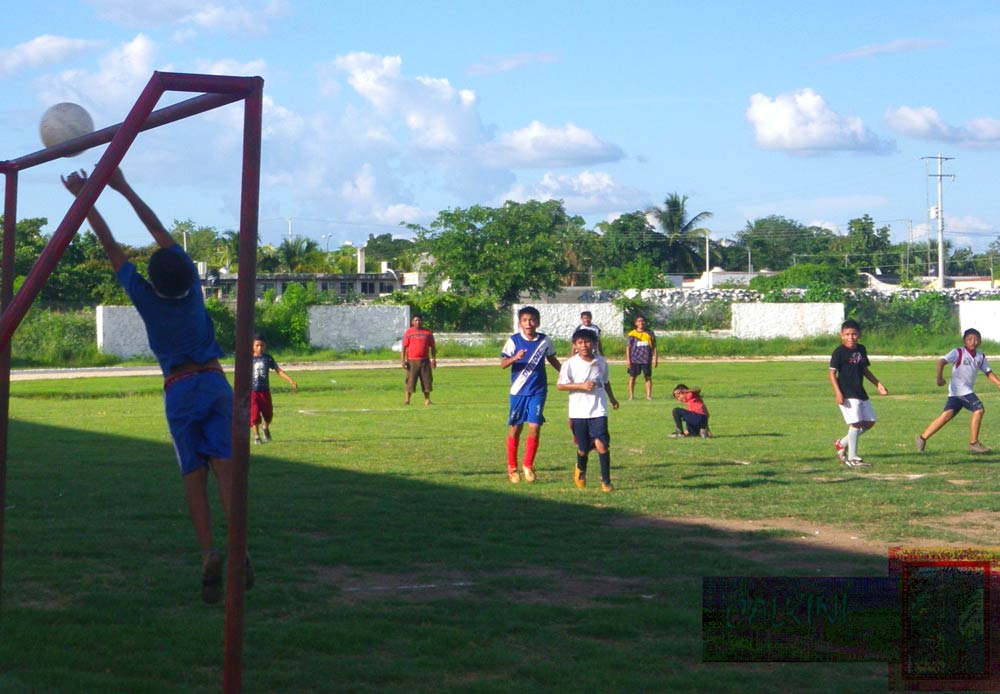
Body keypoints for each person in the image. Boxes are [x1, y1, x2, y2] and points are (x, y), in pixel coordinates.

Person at [62, 167, 250, 604]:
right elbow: (159, 231)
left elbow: (110, 245)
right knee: (226, 469)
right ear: (184, 272)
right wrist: (123, 187)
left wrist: (85, 196)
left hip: (179, 388)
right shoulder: (194, 288)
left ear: (154, 280)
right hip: (215, 383)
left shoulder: (144, 297)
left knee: (192, 473)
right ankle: (240, 550)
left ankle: (208, 552)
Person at [501, 306, 561, 484]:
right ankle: (512, 467)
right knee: (516, 428)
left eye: (532, 320)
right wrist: (515, 358)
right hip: (518, 391)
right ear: (520, 323)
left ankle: (528, 464)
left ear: (538, 322)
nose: (529, 323)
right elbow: (503, 364)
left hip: (538, 390)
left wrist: (565, 373)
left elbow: (552, 359)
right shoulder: (514, 340)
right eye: (525, 320)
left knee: (535, 426)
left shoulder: (544, 340)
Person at [916, 328, 1000, 454]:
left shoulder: (980, 356)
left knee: (946, 416)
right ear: (964, 341)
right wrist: (939, 378)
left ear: (980, 341)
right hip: (960, 389)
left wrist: (998, 383)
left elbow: (988, 372)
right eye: (969, 339)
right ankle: (974, 443)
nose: (973, 342)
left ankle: (922, 438)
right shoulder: (958, 352)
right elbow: (941, 362)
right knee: (979, 409)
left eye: (976, 339)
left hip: (960, 392)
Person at [557, 329, 619, 492]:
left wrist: (612, 399)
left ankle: (606, 482)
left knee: (602, 445)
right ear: (575, 345)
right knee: (583, 448)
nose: (584, 345)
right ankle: (580, 469)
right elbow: (561, 385)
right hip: (578, 412)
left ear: (594, 344)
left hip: (598, 409)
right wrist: (581, 386)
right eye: (580, 342)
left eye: (587, 342)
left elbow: (605, 381)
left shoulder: (601, 362)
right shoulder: (570, 364)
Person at [829, 319, 888, 468]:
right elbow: (832, 374)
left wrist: (878, 384)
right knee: (855, 424)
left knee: (869, 422)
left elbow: (864, 370)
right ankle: (853, 458)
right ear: (842, 335)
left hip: (860, 391)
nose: (851, 337)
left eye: (854, 334)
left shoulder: (861, 349)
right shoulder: (839, 352)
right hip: (847, 393)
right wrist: (838, 392)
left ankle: (842, 443)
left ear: (859, 335)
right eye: (847, 334)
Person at [250, 335, 298, 443]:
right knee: (254, 414)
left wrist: (290, 380)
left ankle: (265, 427)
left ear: (265, 346)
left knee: (268, 415)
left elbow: (278, 370)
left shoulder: (268, 358)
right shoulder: (248, 359)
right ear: (252, 346)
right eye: (257, 345)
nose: (259, 348)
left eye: (261, 345)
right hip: (252, 392)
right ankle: (257, 436)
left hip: (265, 391)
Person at [401, 314, 437, 405]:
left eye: (419, 320)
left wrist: (433, 359)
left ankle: (427, 400)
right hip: (412, 361)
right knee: (410, 380)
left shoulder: (428, 332)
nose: (418, 322)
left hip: (425, 361)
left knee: (426, 380)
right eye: (416, 320)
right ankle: (407, 400)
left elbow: (432, 347)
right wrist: (403, 360)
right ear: (412, 322)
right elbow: (404, 347)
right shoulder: (409, 332)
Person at [625, 315, 658, 400]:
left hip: (646, 359)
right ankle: (631, 396)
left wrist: (655, 359)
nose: (641, 323)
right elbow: (628, 347)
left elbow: (654, 347)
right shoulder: (632, 334)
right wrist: (628, 360)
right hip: (634, 359)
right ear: (636, 323)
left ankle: (648, 396)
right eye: (639, 321)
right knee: (632, 377)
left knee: (648, 377)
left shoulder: (650, 333)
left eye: (642, 321)